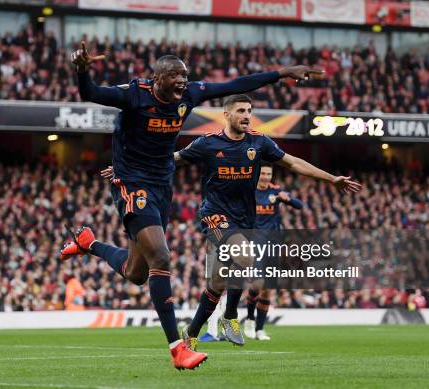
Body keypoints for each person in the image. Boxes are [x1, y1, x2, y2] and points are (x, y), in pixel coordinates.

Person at [62, 41, 322, 369]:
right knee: (161, 256)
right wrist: (82, 70)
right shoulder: (134, 94)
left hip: (162, 185)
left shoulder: (189, 95)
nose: (184, 82)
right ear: (158, 79)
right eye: (176, 76)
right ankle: (178, 349)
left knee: (136, 272)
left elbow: (237, 84)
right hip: (131, 182)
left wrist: (283, 73)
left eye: (186, 76)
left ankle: (89, 242)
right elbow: (91, 94)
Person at [172, 95, 360, 349]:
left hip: (244, 219)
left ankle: (191, 334)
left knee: (218, 282)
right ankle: (230, 317)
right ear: (226, 115)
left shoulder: (259, 142)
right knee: (245, 256)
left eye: (249, 110)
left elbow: (292, 162)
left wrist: (330, 179)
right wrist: (131, 170)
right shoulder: (207, 144)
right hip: (214, 214)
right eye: (240, 110)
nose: (246, 115)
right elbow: (173, 159)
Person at [244, 162, 303, 340]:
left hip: (273, 243)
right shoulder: (249, 190)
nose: (266, 177)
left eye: (269, 174)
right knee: (257, 283)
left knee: (268, 289)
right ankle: (249, 319)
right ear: (257, 174)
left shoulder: (276, 191)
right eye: (263, 174)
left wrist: (288, 200)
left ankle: (260, 330)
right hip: (255, 242)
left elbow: (299, 205)